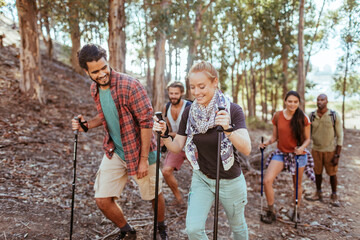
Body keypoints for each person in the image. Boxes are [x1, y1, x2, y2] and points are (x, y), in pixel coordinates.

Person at [71, 44, 168, 240]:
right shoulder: (95, 88)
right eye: (95, 71)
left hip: (141, 151)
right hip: (115, 149)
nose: (102, 74)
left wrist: (142, 160)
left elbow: (146, 121)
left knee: (153, 194)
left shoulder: (130, 85)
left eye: (104, 67)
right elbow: (105, 114)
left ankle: (161, 228)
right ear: (87, 71)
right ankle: (127, 231)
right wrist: (87, 125)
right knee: (102, 199)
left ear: (108, 62)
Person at [153, 61, 251, 240]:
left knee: (237, 228)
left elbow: (247, 148)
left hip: (230, 180)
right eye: (193, 87)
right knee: (193, 229)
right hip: (202, 178)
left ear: (215, 82)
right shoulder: (190, 112)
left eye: (202, 86)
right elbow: (177, 147)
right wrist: (165, 134)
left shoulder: (232, 110)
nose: (197, 92)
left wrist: (228, 129)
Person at [259, 90, 315, 224]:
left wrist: (301, 148)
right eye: (289, 101)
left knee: (297, 185)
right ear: (285, 101)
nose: (292, 104)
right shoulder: (278, 116)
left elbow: (308, 139)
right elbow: (274, 137)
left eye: (295, 102)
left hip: (298, 155)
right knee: (267, 180)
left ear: (299, 103)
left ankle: (296, 211)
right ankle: (271, 211)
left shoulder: (303, 118)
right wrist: (266, 143)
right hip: (281, 154)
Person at [305, 94, 343, 207]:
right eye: (318, 100)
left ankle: (334, 195)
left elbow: (340, 136)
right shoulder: (312, 115)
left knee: (332, 173)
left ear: (327, 101)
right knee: (317, 173)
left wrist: (337, 155)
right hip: (316, 149)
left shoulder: (333, 115)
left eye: (322, 100)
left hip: (330, 150)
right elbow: (307, 134)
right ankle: (318, 192)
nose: (320, 102)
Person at [161, 81, 191, 206]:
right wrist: (164, 139)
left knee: (201, 173)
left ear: (182, 93)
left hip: (191, 145)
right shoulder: (166, 107)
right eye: (171, 93)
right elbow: (168, 128)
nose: (173, 96)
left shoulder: (189, 107)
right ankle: (179, 199)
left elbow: (192, 129)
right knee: (166, 171)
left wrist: (171, 134)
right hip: (177, 146)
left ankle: (200, 199)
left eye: (176, 93)